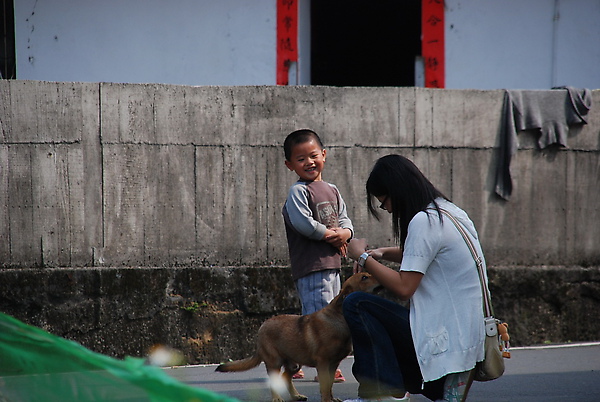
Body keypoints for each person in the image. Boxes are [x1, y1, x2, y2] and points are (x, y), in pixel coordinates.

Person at [343, 154, 487, 402]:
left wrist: (363, 258)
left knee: (357, 303)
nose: (386, 209)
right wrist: (382, 252)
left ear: (396, 191)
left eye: (383, 201)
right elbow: (427, 254)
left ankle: (383, 393)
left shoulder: (425, 221)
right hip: (466, 340)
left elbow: (404, 287)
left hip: (443, 343)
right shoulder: (449, 211)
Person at [282, 129, 354, 382]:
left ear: (324, 154)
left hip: (331, 264)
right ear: (290, 165)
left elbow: (345, 218)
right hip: (313, 265)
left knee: (319, 313)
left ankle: (293, 360)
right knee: (320, 316)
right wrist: (328, 235)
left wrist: (346, 232)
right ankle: (324, 364)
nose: (309, 162)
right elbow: (302, 223)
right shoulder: (298, 192)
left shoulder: (332, 189)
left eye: (313, 155)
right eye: (300, 159)